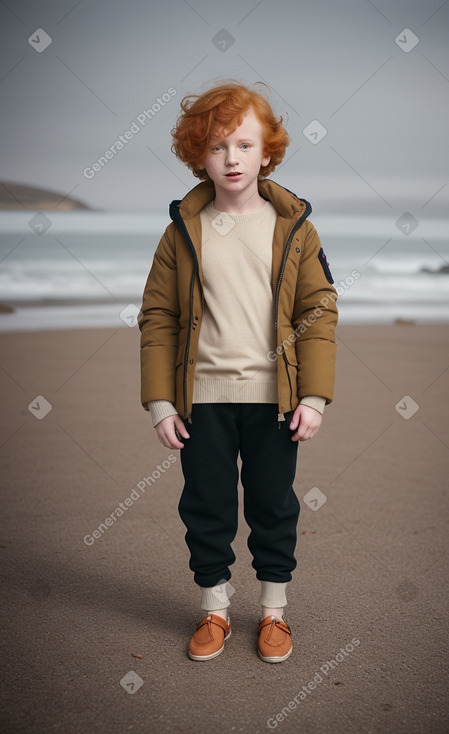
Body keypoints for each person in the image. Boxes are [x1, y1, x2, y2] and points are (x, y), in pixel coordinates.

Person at [138, 81, 338, 663]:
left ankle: (273, 613)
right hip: (200, 399)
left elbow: (318, 310)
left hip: (275, 399)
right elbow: (158, 316)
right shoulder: (181, 232)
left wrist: (316, 397)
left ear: (267, 152)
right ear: (198, 154)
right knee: (206, 503)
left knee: (273, 504)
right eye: (219, 146)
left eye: (245, 146)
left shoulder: (294, 227)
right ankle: (215, 608)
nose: (232, 159)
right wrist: (160, 402)